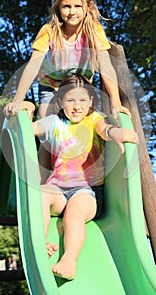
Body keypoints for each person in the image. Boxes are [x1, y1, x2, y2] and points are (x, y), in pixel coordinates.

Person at [4, 0, 131, 179]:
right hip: (51, 88)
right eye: (66, 6)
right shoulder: (50, 31)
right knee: (48, 136)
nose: (72, 12)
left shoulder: (93, 31)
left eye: (77, 6)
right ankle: (42, 185)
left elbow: (106, 66)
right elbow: (33, 65)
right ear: (58, 8)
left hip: (80, 90)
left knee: (84, 131)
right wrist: (18, 99)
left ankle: (82, 179)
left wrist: (115, 103)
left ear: (88, 7)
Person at [22, 75, 138, 280]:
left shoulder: (95, 119)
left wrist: (116, 133)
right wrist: (27, 110)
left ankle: (69, 260)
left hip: (88, 192)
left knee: (73, 214)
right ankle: (39, 243)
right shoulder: (54, 122)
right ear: (60, 102)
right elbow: (26, 130)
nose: (77, 106)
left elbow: (105, 131)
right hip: (58, 189)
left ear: (91, 101)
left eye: (82, 100)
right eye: (70, 100)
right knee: (39, 193)